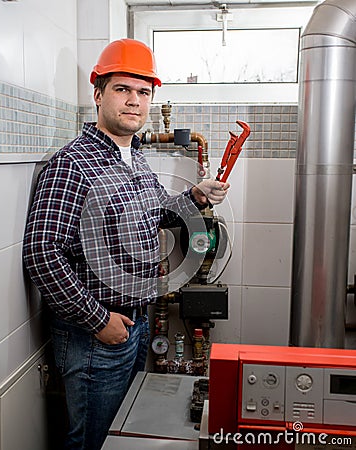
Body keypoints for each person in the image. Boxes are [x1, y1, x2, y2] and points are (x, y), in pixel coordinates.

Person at [23, 38, 229, 450]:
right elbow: (42, 253)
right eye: (122, 89)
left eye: (143, 92)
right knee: (93, 443)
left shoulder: (132, 159)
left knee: (118, 437)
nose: (134, 100)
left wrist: (195, 198)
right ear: (98, 94)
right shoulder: (74, 164)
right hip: (94, 335)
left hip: (131, 324)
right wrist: (100, 321)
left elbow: (157, 213)